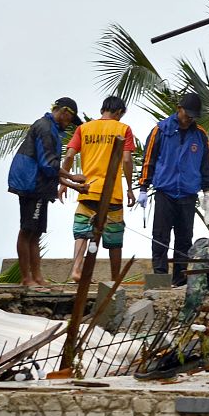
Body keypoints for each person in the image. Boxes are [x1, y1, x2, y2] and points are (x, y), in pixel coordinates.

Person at [7, 97, 88, 289]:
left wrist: (73, 184)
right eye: (69, 120)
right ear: (64, 112)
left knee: (35, 233)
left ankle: (37, 277)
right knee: (27, 231)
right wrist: (73, 178)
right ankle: (27, 279)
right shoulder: (45, 128)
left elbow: (49, 168)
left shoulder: (50, 129)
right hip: (32, 185)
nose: (68, 125)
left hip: (39, 185)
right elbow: (48, 165)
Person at [138, 92, 209, 286]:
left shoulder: (200, 135)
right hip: (165, 191)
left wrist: (207, 191)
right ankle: (159, 278)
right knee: (160, 236)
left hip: (188, 194)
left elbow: (206, 164)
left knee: (184, 238)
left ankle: (180, 279)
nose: (189, 118)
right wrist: (143, 187)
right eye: (186, 113)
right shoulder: (161, 130)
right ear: (179, 109)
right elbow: (149, 159)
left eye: (193, 115)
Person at [59, 96, 136, 284]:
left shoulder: (83, 128)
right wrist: (130, 188)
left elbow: (69, 155)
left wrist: (63, 180)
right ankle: (115, 277)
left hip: (88, 190)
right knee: (114, 237)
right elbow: (126, 160)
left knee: (82, 231)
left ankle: (76, 270)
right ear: (118, 112)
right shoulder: (123, 129)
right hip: (112, 193)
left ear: (103, 110)